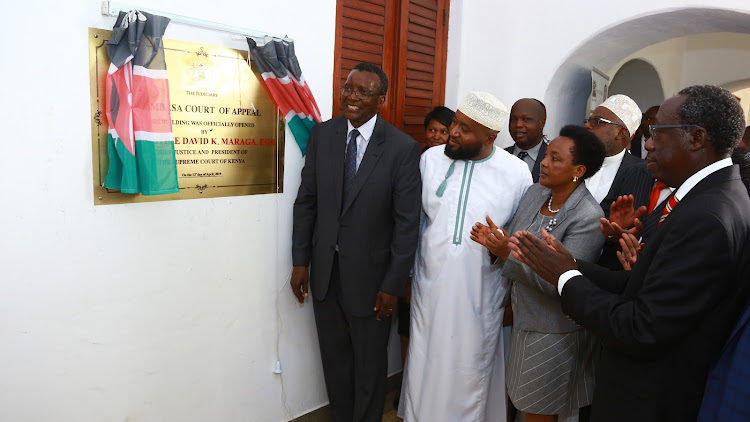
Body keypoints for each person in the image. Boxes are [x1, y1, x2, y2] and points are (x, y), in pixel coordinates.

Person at [508, 84, 750, 422]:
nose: (648, 143)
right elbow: (639, 283)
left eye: (657, 132)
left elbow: (641, 327)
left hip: (649, 397)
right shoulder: (713, 196)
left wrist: (564, 278)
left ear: (696, 138)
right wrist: (570, 264)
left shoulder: (707, 216)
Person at [291, 62, 421, 422]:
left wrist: (393, 284)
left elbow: (407, 224)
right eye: (348, 88)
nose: (351, 96)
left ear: (381, 99)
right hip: (324, 275)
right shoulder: (323, 135)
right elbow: (307, 201)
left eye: (363, 92)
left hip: (373, 282)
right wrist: (300, 261)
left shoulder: (402, 148)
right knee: (335, 363)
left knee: (368, 368)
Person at [398, 91, 532, 422]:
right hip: (430, 286)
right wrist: (407, 277)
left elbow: (520, 238)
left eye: (465, 128)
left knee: (469, 366)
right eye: (455, 122)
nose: (453, 132)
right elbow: (416, 225)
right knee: (425, 360)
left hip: (481, 291)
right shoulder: (430, 159)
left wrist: (503, 257)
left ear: (491, 137)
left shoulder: (515, 173)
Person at [472, 125, 606, 422]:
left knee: (538, 413)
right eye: (546, 155)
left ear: (578, 170)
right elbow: (516, 240)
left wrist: (507, 252)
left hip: (555, 331)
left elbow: (562, 284)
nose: (544, 162)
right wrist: (496, 241)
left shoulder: (588, 216)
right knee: (520, 403)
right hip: (523, 320)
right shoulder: (536, 193)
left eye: (555, 159)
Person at [394, 104, 456, 410]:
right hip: (411, 259)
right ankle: (408, 387)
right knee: (407, 327)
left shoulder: (459, 168)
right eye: (432, 130)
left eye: (443, 131)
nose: (436, 136)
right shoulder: (416, 161)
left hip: (441, 267)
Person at [583, 94, 653, 269]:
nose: (587, 126)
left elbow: (630, 229)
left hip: (601, 274)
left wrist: (615, 235)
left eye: (597, 121)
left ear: (621, 132)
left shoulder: (640, 170)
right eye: (589, 120)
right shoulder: (575, 159)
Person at [506, 98, 548, 182]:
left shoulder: (553, 161)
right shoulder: (500, 156)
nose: (518, 125)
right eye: (513, 119)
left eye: (526, 119)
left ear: (542, 123)